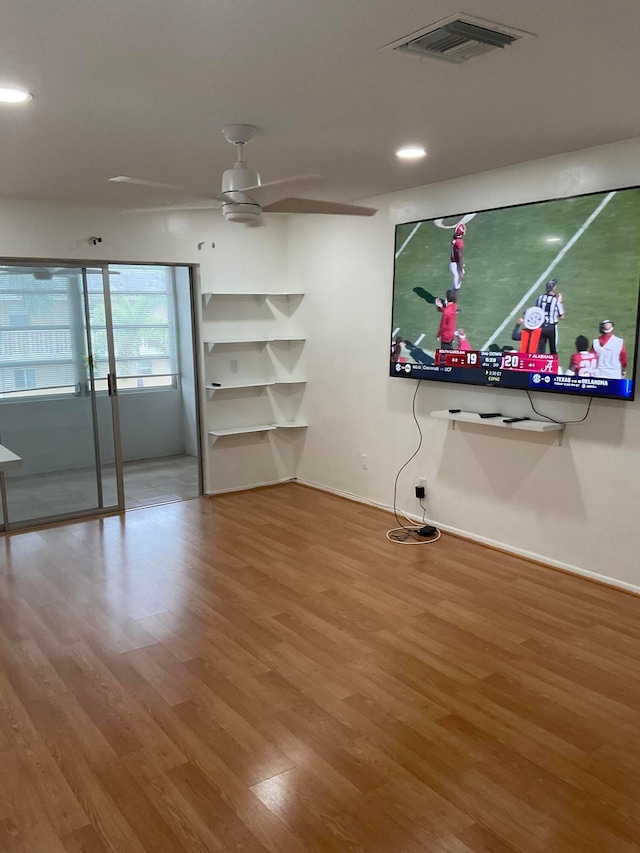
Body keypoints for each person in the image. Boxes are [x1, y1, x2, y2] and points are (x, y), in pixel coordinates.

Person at [535, 278, 564, 354]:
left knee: (541, 349)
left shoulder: (540, 298)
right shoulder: (555, 301)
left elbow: (537, 311)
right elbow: (562, 316)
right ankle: (554, 365)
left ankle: (540, 365)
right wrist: (561, 302)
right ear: (554, 288)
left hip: (541, 326)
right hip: (552, 327)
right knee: (553, 350)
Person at [449, 223, 465, 295]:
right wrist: (460, 267)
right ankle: (451, 302)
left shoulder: (454, 239)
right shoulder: (459, 242)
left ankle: (448, 299)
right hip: (456, 264)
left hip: (452, 263)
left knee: (456, 284)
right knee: (456, 287)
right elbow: (460, 256)